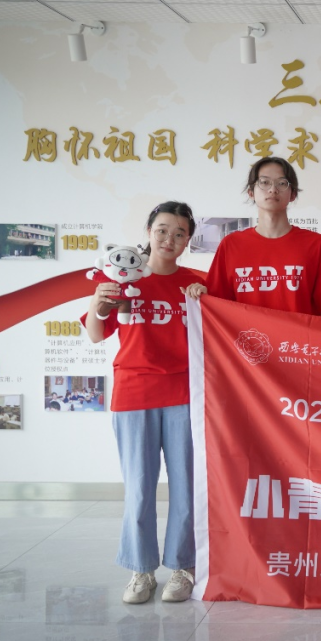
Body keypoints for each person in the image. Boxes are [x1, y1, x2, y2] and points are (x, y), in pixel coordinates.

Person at [82, 201, 202, 605]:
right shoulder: (121, 277)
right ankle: (141, 570)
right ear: (149, 231)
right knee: (138, 488)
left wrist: (203, 299)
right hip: (134, 394)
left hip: (185, 394)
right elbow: (96, 333)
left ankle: (183, 567)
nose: (169, 239)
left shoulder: (196, 284)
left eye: (179, 233)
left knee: (186, 486)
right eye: (162, 230)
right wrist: (96, 301)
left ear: (188, 240)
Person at [192, 157, 321, 315]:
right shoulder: (230, 245)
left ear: (293, 194)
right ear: (251, 192)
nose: (273, 189)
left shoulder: (316, 244)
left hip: (297, 333)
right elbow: (217, 305)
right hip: (247, 332)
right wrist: (199, 293)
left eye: (282, 183)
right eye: (264, 182)